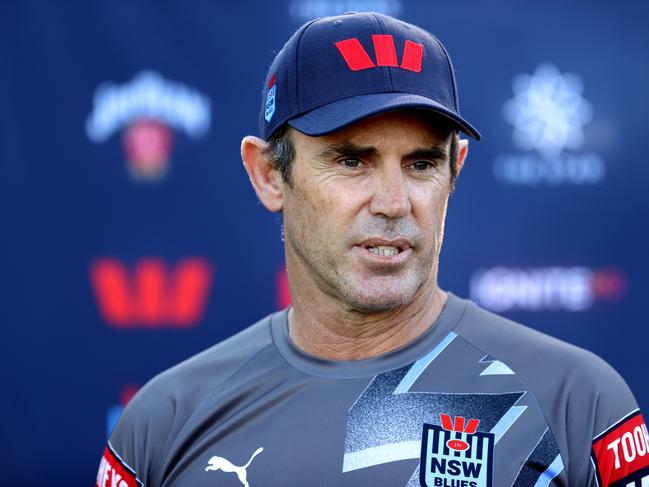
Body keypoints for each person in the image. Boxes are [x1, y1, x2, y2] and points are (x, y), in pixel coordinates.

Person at [95, 12, 647, 487]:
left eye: (421, 163)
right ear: (267, 174)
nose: (393, 203)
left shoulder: (579, 405)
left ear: (455, 171)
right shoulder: (164, 425)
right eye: (351, 160)